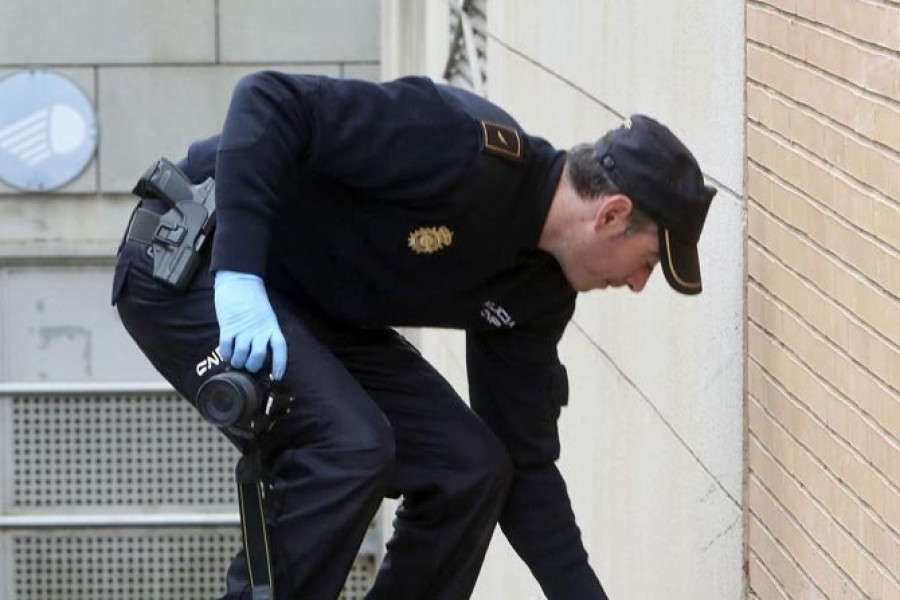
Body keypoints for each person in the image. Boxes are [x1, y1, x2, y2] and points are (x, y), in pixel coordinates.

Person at [112, 71, 715, 600]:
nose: (638, 284)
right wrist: (238, 275)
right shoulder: (459, 144)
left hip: (308, 308)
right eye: (647, 262)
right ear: (611, 214)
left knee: (472, 468)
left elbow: (527, 468)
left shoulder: (539, 293)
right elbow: (267, 100)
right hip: (192, 257)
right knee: (350, 444)